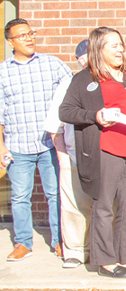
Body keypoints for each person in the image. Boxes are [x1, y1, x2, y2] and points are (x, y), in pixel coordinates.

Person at [59, 26, 126, 279]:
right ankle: (105, 261)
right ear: (98, 48)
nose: (120, 49)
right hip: (105, 150)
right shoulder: (85, 79)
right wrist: (95, 116)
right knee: (103, 208)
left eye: (121, 44)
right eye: (114, 45)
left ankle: (124, 258)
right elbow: (65, 111)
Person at [0, 19, 72, 262]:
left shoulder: (52, 64)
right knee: (20, 196)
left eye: (31, 33)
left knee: (56, 194)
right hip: (18, 146)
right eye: (22, 36)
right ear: (10, 42)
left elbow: (71, 93)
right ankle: (23, 242)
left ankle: (60, 241)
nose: (29, 38)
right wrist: (1, 146)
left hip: (50, 145)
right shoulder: (2, 71)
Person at [44, 41, 92, 268]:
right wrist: (63, 157)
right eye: (84, 57)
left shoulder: (114, 81)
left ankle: (102, 249)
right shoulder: (68, 84)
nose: (87, 60)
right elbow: (55, 126)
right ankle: (74, 250)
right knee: (74, 206)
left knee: (107, 206)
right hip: (74, 154)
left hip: (106, 155)